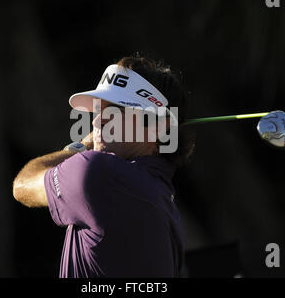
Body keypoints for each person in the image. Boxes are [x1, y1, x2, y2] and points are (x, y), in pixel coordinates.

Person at [13, 55, 195, 277]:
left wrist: (81, 145)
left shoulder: (98, 172)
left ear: (159, 126)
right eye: (99, 111)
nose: (97, 121)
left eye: (115, 111)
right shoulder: (165, 199)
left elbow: (22, 186)